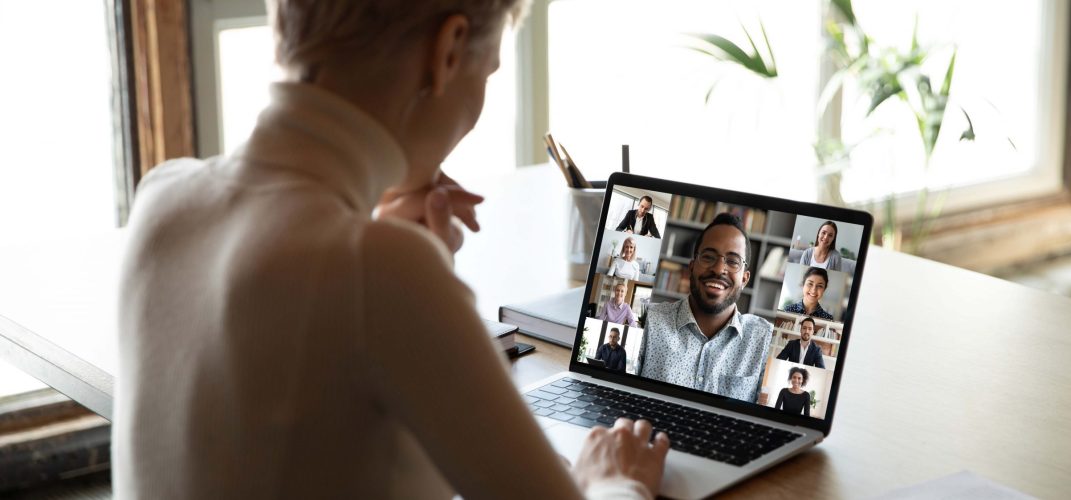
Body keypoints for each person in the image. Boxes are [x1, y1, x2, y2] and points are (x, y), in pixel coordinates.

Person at [113, 1, 669, 499]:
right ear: (448, 50)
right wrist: (614, 482)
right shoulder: (376, 268)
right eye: (490, 69)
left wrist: (399, 248)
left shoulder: (163, 197)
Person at [637, 213, 772, 401]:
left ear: (745, 279)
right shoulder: (649, 320)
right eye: (708, 257)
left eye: (733, 261)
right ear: (691, 267)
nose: (718, 269)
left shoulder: (765, 340)